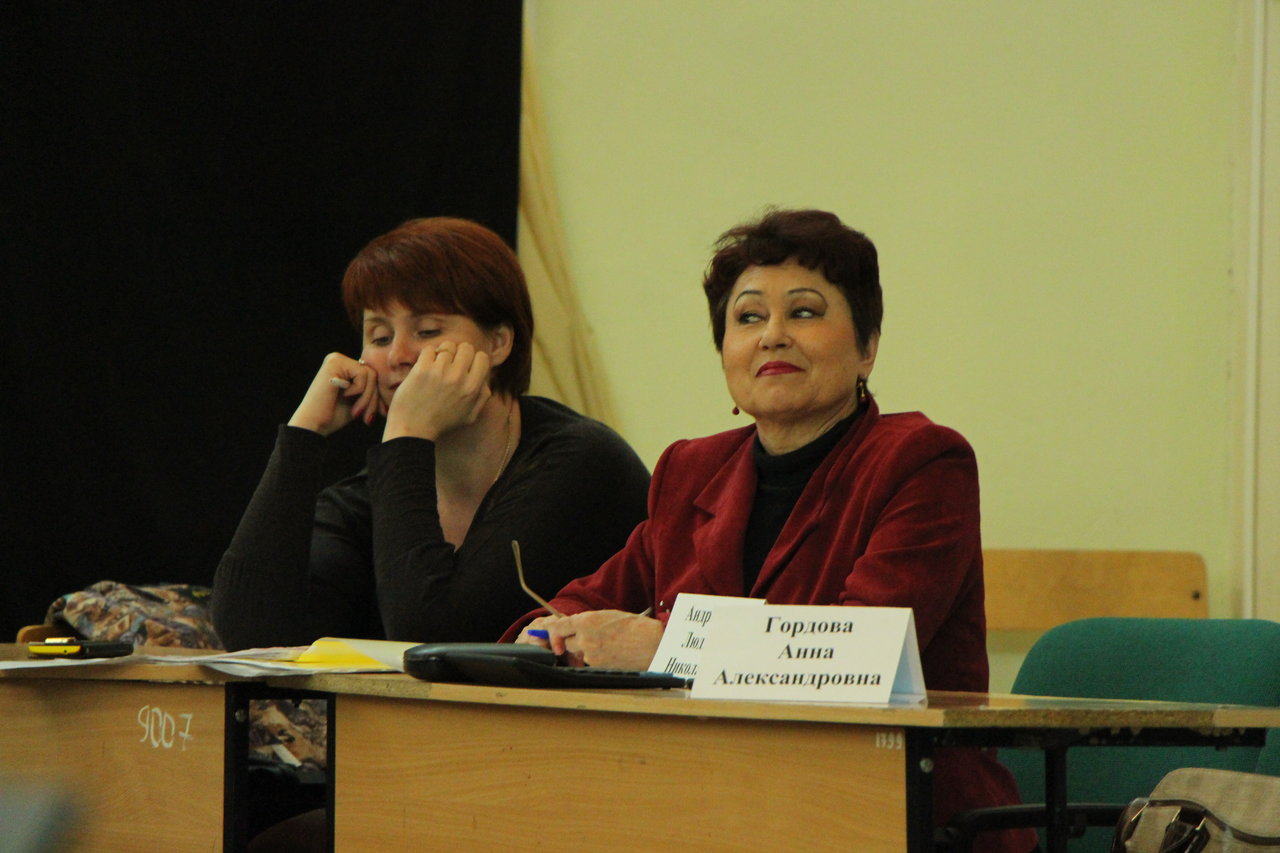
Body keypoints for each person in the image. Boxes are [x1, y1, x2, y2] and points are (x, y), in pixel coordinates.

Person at [505, 208, 1036, 853]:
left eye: (804, 312)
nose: (773, 336)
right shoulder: (691, 470)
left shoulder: (921, 462)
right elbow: (584, 600)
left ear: (867, 347)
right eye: (749, 317)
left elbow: (858, 655)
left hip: (902, 815)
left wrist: (665, 651)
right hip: (721, 807)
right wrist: (545, 637)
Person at [210, 216, 650, 651]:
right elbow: (251, 633)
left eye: (427, 331)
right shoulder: (369, 498)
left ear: (498, 343)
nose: (398, 355)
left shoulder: (580, 461)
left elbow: (433, 637)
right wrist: (305, 435)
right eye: (379, 337)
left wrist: (408, 433)